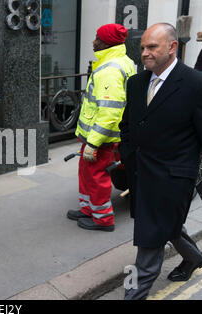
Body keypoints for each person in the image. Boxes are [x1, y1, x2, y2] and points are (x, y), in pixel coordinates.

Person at [119, 23, 202, 300]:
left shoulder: (197, 84)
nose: (144, 53)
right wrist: (127, 154)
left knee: (149, 245)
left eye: (152, 47)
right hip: (140, 174)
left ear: (172, 47)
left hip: (173, 181)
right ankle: (195, 258)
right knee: (166, 227)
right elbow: (127, 125)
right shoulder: (136, 82)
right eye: (142, 47)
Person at [67, 23, 136, 232]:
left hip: (101, 139)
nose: (93, 41)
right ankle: (88, 209)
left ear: (107, 42)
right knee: (87, 173)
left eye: (97, 38)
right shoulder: (121, 62)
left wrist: (93, 142)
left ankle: (103, 219)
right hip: (99, 136)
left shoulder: (110, 70)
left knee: (96, 177)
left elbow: (109, 111)